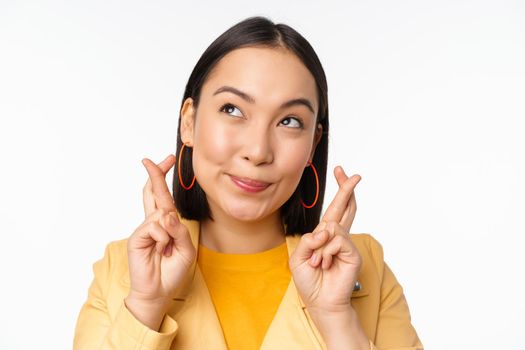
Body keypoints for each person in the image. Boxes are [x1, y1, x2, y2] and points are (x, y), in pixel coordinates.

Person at [73, 16, 423, 350]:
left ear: (313, 144)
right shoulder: (121, 270)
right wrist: (147, 306)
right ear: (189, 122)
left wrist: (335, 319)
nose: (258, 151)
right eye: (233, 110)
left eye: (289, 121)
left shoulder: (364, 269)